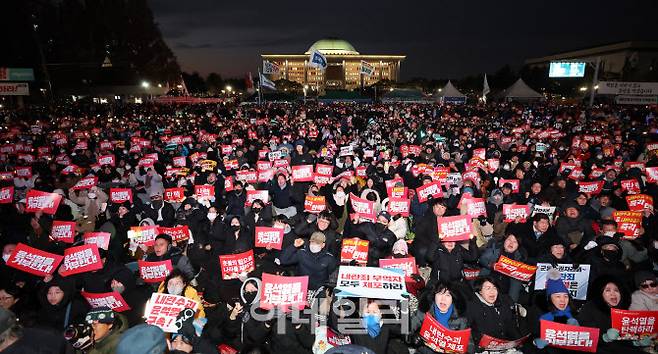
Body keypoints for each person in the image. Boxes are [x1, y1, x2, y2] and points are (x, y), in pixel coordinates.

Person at [577, 276, 649, 354]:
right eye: (608, 290)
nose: (613, 294)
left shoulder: (625, 311)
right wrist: (604, 337)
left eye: (616, 290)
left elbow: (626, 338)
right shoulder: (590, 308)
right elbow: (585, 335)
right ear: (600, 293)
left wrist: (637, 342)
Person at [410, 282, 472, 354]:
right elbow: (405, 329)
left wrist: (467, 352)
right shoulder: (424, 311)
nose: (443, 299)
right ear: (434, 296)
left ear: (453, 298)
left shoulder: (461, 319)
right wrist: (413, 337)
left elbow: (469, 343)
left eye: (448, 295)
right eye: (440, 294)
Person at [466, 277, 525, 346]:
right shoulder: (472, 306)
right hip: (483, 346)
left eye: (494, 288)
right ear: (480, 291)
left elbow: (510, 325)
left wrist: (518, 342)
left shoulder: (504, 302)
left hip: (506, 344)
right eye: (488, 288)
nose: (492, 291)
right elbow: (470, 332)